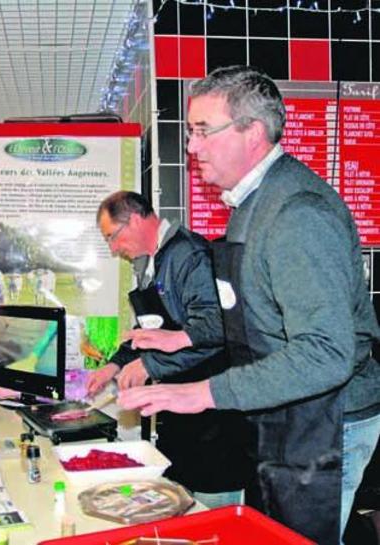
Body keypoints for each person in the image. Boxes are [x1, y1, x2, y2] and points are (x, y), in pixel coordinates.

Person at [119, 65, 380, 545]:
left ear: (253, 133)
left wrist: (203, 393)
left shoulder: (298, 213)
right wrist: (185, 337)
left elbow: (326, 353)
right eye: (190, 132)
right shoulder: (252, 206)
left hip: (327, 426)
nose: (191, 146)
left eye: (203, 131)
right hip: (286, 416)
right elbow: (253, 310)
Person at [87, 190, 250, 506]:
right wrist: (116, 365)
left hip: (214, 412)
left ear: (135, 220)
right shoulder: (147, 264)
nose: (113, 248)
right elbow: (147, 332)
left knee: (212, 510)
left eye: (113, 237)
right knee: (181, 502)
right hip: (180, 408)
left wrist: (150, 367)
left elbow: (216, 331)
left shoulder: (189, 256)